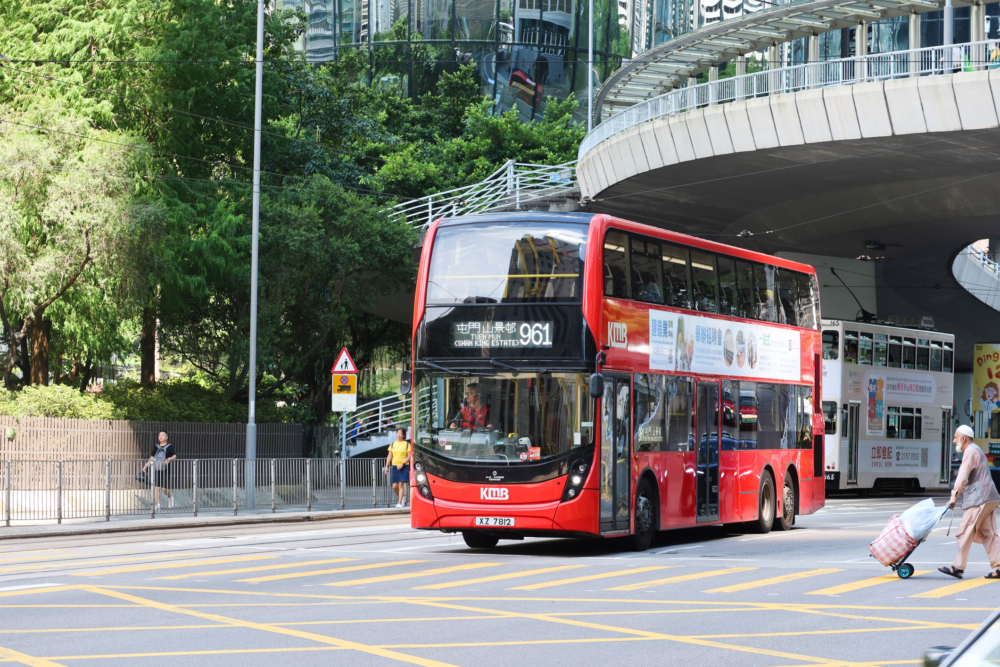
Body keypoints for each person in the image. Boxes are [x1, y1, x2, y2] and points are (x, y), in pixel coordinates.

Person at [939, 425, 1000, 579]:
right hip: (990, 497)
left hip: (979, 499)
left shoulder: (970, 452)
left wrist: (954, 497)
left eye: (955, 437)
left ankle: (958, 567)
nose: (953, 441)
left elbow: (962, 477)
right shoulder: (976, 450)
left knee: (964, 532)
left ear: (963, 439)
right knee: (989, 534)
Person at [142, 431, 177, 511]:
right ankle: (158, 504)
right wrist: (146, 465)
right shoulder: (156, 447)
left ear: (166, 437)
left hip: (165, 469)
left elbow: (175, 456)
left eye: (162, 435)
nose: (160, 437)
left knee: (163, 488)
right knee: (156, 487)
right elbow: (152, 457)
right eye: (159, 435)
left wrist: (169, 458)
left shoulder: (170, 446)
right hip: (156, 469)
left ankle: (170, 497)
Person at [384, 428, 411, 508]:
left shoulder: (406, 444)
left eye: (400, 433)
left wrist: (402, 464)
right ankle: (401, 498)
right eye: (397, 433)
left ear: (403, 435)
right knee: (394, 486)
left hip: (404, 466)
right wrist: (386, 466)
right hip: (395, 466)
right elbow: (389, 456)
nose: (398, 435)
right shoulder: (393, 444)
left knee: (401, 485)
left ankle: (399, 502)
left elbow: (409, 456)